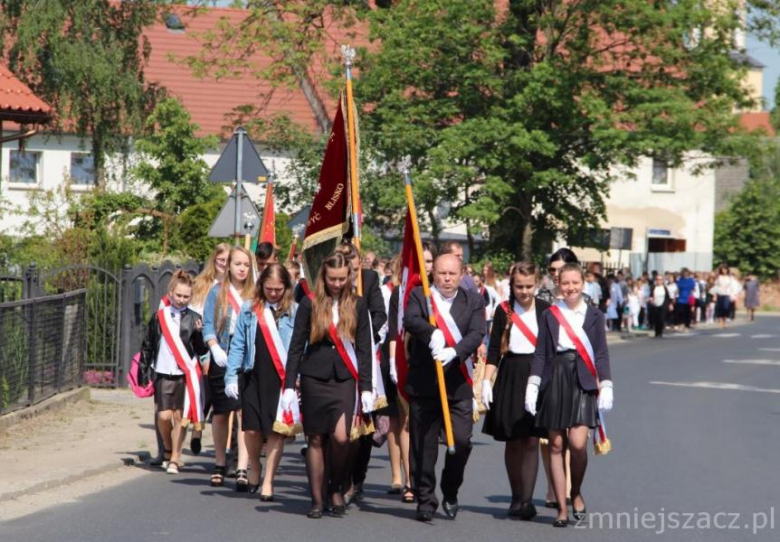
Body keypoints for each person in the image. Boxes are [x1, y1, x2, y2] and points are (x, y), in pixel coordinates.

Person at [282, 251, 373, 518]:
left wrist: (367, 388)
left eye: (342, 278)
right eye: (332, 278)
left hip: (344, 379)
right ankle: (317, 499)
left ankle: (336, 486)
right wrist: (289, 384)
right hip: (314, 378)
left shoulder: (358, 304)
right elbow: (296, 346)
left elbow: (365, 349)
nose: (336, 283)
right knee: (316, 438)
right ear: (324, 276)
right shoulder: (310, 304)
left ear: (349, 277)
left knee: (342, 438)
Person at [526, 263, 613, 528]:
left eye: (575, 283)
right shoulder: (551, 315)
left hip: (582, 378)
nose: (570, 288)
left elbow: (600, 352)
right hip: (556, 379)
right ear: (558, 285)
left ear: (583, 284)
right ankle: (562, 508)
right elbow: (541, 352)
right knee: (554, 444)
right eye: (565, 283)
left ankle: (575, 491)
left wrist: (606, 383)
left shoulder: (595, 315)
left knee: (577, 444)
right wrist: (533, 382)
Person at [404, 253, 486, 522]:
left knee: (461, 442)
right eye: (441, 273)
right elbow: (410, 319)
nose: (447, 279)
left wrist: (456, 352)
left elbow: (477, 333)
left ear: (461, 274)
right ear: (433, 274)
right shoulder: (420, 296)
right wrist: (432, 332)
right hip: (425, 382)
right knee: (424, 445)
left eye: (452, 274)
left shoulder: (473, 300)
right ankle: (426, 499)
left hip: (458, 383)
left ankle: (450, 489)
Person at [481, 262, 550, 519]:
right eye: (519, 286)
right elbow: (494, 351)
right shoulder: (504, 310)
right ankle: (515, 496)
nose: (524, 291)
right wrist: (486, 381)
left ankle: (527, 500)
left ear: (537, 283)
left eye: (529, 286)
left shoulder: (546, 310)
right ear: (512, 285)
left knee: (532, 438)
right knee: (512, 439)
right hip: (510, 374)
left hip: (536, 374)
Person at [225, 263, 298, 500]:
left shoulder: (294, 311)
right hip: (253, 374)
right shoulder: (249, 309)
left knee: (276, 431)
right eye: (269, 289)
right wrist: (231, 376)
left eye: (278, 289)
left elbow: (301, 348)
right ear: (261, 286)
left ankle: (268, 480)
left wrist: (297, 380)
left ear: (286, 288)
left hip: (280, 379)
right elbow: (238, 345)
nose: (274, 293)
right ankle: (254, 466)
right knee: (252, 429)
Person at [139, 270, 208, 474]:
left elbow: (201, 349)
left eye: (186, 296)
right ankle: (168, 448)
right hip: (163, 372)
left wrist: (200, 333)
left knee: (180, 417)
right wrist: (144, 373)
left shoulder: (195, 318)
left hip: (184, 374)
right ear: (170, 293)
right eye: (178, 295)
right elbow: (147, 345)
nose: (181, 299)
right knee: (163, 415)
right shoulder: (159, 317)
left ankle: (176, 457)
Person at [336, 242, 388, 505]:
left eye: (352, 258)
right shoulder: (329, 282)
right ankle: (338, 478)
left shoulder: (369, 279)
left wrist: (363, 333)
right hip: (336, 359)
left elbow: (379, 314)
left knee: (365, 424)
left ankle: (358, 478)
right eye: (343, 258)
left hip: (365, 355)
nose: (350, 262)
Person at [203, 246, 255, 489]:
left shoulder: (255, 293)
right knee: (222, 412)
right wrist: (213, 347)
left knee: (245, 412)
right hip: (222, 354)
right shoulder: (217, 292)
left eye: (246, 264)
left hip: (246, 358)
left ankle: (242, 467)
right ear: (229, 266)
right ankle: (220, 462)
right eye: (238, 264)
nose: (242, 269)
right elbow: (208, 326)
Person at [387, 244, 435, 504]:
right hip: (409, 360)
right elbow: (396, 329)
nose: (426, 266)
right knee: (406, 422)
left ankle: (427, 477)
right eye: (422, 261)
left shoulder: (440, 292)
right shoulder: (401, 292)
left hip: (438, 363)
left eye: (430, 261)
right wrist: (395, 363)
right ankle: (410, 479)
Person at [184, 242, 230, 457]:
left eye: (226, 261)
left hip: (224, 345)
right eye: (220, 260)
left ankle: (223, 444)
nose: (223, 264)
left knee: (216, 395)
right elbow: (192, 311)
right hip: (203, 343)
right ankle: (197, 430)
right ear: (214, 261)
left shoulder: (235, 286)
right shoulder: (203, 283)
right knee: (204, 393)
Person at [713, 264, 736, 329]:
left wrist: (733, 295)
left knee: (726, 307)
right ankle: (720, 321)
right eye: (723, 269)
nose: (724, 271)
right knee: (720, 307)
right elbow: (716, 286)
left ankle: (725, 321)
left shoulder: (730, 278)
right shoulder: (719, 277)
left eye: (725, 269)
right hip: (720, 294)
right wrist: (714, 295)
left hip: (727, 294)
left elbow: (732, 287)